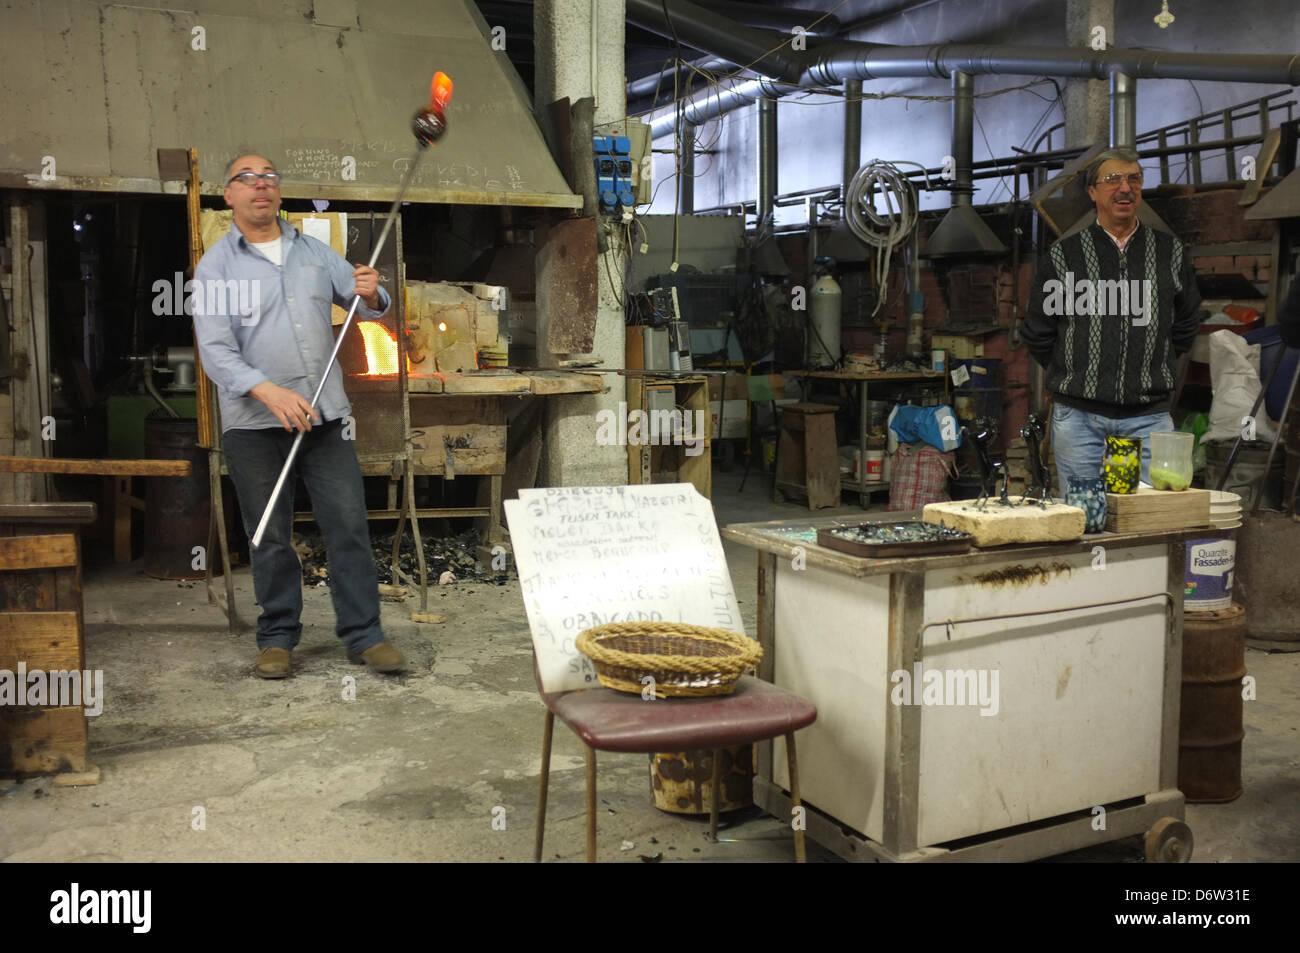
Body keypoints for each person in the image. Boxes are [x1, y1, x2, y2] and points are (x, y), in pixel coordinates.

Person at [193, 154, 405, 679]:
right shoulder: (215, 267)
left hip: (325, 420)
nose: (260, 186)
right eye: (247, 178)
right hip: (255, 426)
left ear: (278, 192)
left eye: (269, 177)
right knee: (269, 534)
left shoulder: (314, 253)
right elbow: (216, 353)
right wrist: (269, 392)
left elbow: (370, 302)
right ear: (229, 195)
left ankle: (364, 634)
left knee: (349, 525)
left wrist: (373, 290)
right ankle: (278, 637)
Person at [1022, 146, 1204, 491]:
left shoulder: (1168, 252)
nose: (1125, 188)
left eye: (1134, 179)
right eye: (1113, 179)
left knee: (1141, 519)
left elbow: (1186, 321)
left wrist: (1153, 365)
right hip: (1080, 420)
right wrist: (1073, 371)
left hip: (1146, 419)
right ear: (1093, 192)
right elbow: (1038, 330)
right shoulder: (1065, 255)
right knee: (1087, 518)